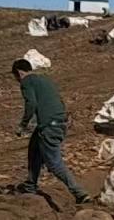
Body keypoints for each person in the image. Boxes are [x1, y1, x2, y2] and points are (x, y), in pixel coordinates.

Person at [11, 59, 89, 203]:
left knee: (54, 163)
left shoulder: (26, 82)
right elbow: (58, 99)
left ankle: (79, 193)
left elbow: (31, 103)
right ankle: (30, 184)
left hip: (49, 127)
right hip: (58, 122)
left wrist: (23, 125)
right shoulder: (44, 80)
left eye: (16, 77)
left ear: (19, 73)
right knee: (34, 149)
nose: (17, 80)